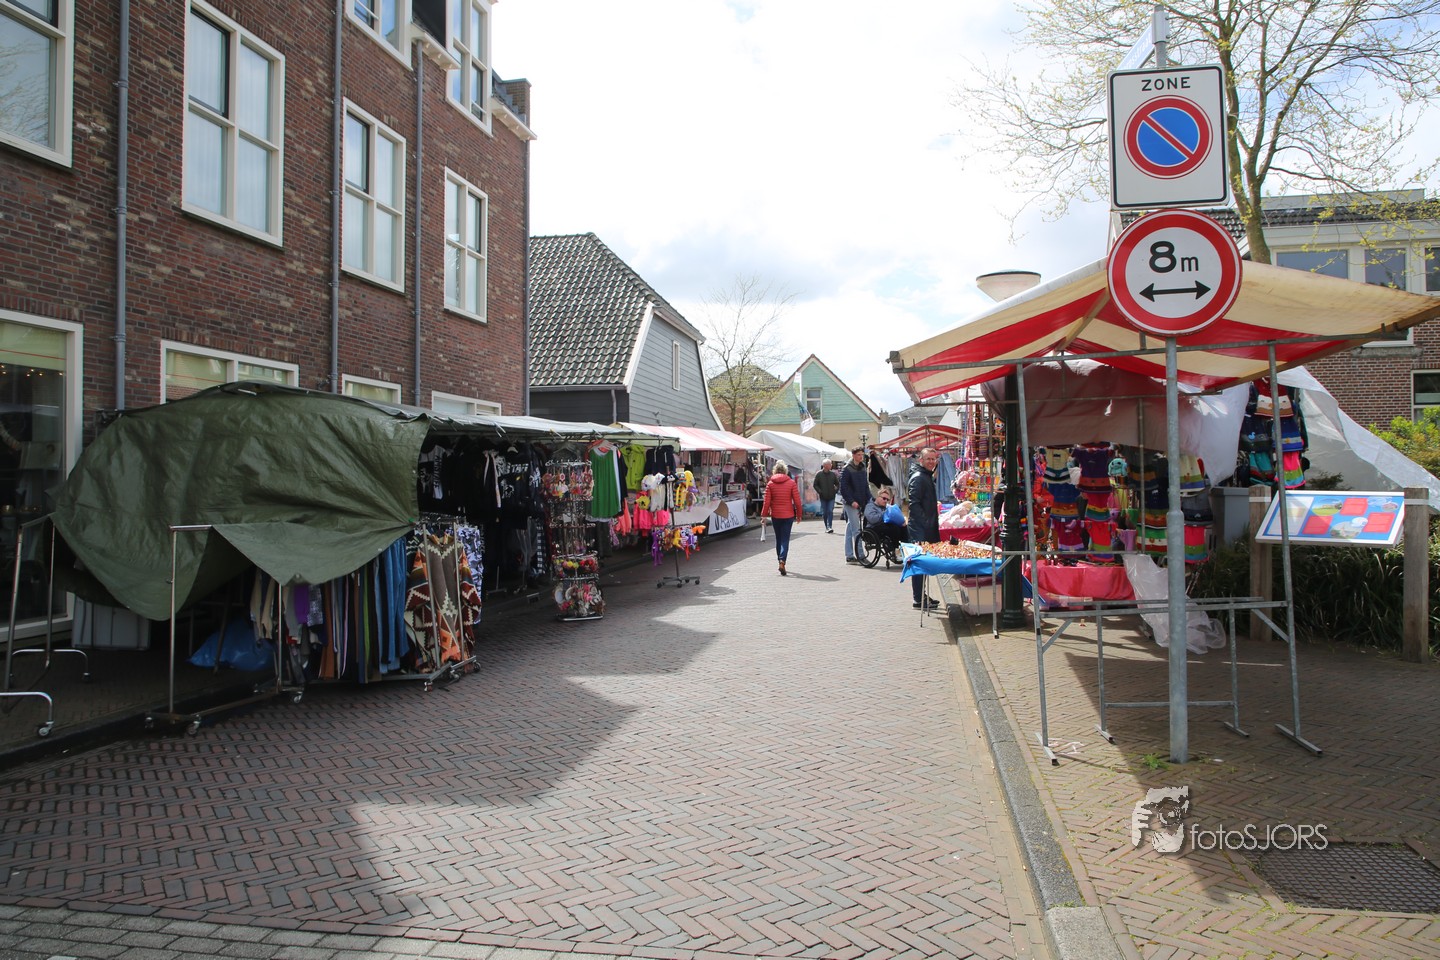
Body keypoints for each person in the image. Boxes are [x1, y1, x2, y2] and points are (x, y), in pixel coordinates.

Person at [906, 446, 942, 609]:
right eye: (928, 459)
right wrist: (926, 522)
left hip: (924, 527)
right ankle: (918, 599)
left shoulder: (925, 476)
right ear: (921, 460)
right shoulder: (919, 477)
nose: (931, 462)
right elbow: (914, 504)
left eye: (933, 459)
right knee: (919, 563)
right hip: (920, 530)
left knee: (923, 563)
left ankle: (922, 595)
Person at [760, 459, 803, 576]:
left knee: (778, 539)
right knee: (785, 539)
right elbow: (797, 501)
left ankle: (780, 560)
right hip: (788, 515)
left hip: (776, 515)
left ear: (775, 470)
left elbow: (766, 502)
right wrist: (799, 515)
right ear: (785, 471)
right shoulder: (791, 483)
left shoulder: (770, 484)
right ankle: (782, 560)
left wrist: (764, 515)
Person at [839, 445, 871, 564]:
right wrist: (851, 501)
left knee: (850, 528)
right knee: (856, 530)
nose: (861, 457)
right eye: (859, 455)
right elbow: (843, 488)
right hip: (850, 503)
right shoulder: (847, 469)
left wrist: (870, 499)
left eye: (862, 455)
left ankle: (849, 556)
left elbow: (865, 486)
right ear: (853, 455)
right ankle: (861, 555)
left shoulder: (862, 467)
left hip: (860, 501)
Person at [862, 487, 907, 553]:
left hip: (883, 526)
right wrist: (885, 513)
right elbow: (872, 519)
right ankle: (895, 549)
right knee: (893, 528)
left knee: (903, 527)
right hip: (872, 528)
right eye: (884, 498)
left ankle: (905, 547)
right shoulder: (870, 506)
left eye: (887, 499)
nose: (885, 501)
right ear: (878, 497)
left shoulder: (886, 507)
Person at [811, 458, 839, 533]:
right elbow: (815, 485)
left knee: (830, 510)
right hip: (823, 497)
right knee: (825, 512)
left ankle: (830, 526)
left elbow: (837, 483)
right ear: (825, 465)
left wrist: (835, 491)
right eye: (830, 464)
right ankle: (827, 527)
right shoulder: (819, 474)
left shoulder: (833, 474)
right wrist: (820, 492)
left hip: (831, 496)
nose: (831, 465)